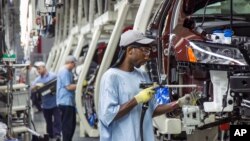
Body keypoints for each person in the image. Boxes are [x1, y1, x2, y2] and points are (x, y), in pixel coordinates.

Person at [98, 30, 194, 141]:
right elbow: (108, 115)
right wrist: (137, 99)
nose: (147, 57)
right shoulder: (111, 77)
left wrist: (178, 103)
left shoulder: (142, 75)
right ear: (129, 50)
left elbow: (152, 110)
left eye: (149, 51)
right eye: (144, 51)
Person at [31, 61, 61, 140]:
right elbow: (32, 88)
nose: (38, 71)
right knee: (48, 122)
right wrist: (34, 88)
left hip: (55, 103)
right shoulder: (37, 80)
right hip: (45, 104)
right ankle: (50, 135)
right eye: (37, 69)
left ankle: (57, 135)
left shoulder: (53, 76)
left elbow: (59, 85)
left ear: (44, 68)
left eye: (39, 69)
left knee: (57, 120)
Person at [56, 55, 77, 141]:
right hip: (65, 102)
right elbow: (68, 87)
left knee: (71, 124)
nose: (75, 66)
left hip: (69, 102)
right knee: (67, 126)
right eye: (74, 64)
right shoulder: (64, 71)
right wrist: (80, 85)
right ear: (71, 63)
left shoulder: (69, 71)